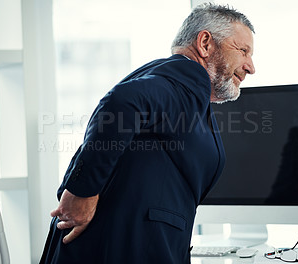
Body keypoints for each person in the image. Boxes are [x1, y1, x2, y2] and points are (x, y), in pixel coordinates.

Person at [40, 3, 255, 264]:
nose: (250, 66)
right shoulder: (182, 81)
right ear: (205, 43)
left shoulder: (182, 86)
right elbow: (123, 103)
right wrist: (82, 190)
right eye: (243, 51)